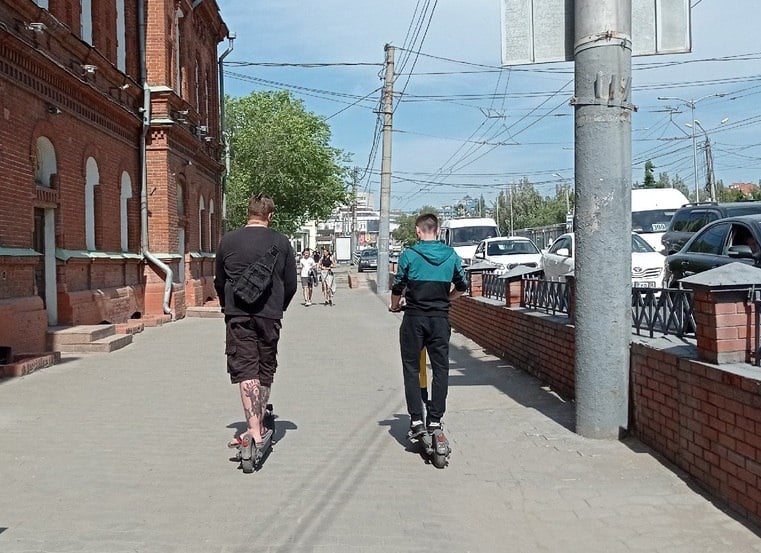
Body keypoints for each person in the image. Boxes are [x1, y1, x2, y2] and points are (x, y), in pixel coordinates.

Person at [214, 193, 297, 461]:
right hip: (269, 315)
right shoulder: (281, 242)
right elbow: (291, 283)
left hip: (238, 314)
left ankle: (253, 429)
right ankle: (259, 423)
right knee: (265, 367)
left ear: (247, 213)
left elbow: (219, 280)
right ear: (269, 215)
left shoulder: (228, 241)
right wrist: (277, 307)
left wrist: (227, 305)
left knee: (246, 367)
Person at [389, 213, 468, 439]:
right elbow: (462, 285)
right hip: (440, 320)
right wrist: (447, 299)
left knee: (412, 369)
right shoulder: (451, 255)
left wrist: (395, 306)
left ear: (418, 230)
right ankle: (435, 420)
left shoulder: (409, 255)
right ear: (437, 230)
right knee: (441, 369)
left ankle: (416, 420)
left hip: (414, 319)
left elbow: (398, 286)